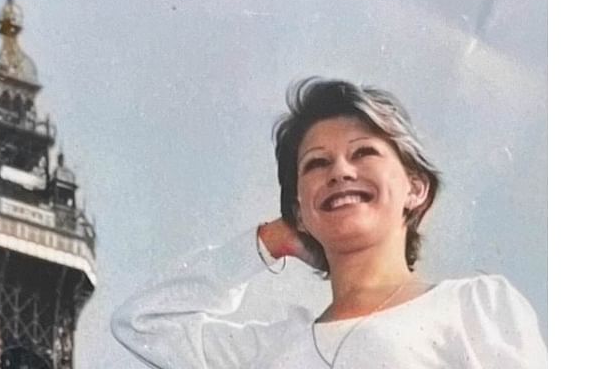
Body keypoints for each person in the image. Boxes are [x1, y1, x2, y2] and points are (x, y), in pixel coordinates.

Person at [110, 77, 547, 368]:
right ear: (299, 210)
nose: (340, 171)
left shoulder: (473, 307)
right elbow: (144, 323)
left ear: (416, 189)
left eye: (363, 153)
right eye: (317, 163)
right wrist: (265, 243)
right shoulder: (270, 351)